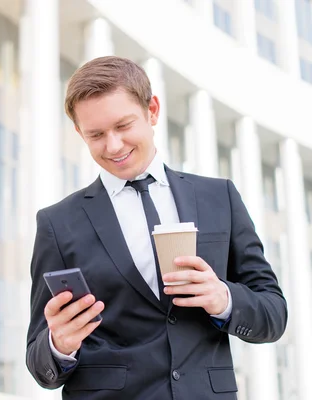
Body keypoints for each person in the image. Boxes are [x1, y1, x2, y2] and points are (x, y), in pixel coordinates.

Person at [25, 56, 287, 400]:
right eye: (96, 135)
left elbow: (273, 313)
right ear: (79, 132)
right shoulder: (57, 223)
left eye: (123, 125)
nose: (113, 146)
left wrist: (222, 298)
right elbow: (39, 361)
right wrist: (59, 344)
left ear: (152, 110)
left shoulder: (218, 197)